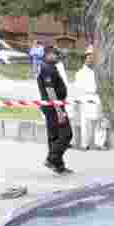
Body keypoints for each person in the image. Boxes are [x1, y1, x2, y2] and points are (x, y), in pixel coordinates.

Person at [37, 45, 73, 173]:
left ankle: (58, 166)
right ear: (48, 55)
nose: (57, 56)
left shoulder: (49, 67)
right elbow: (50, 90)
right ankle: (52, 159)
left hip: (53, 105)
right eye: (55, 54)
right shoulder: (47, 69)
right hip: (53, 106)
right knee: (66, 134)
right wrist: (59, 111)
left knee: (55, 136)